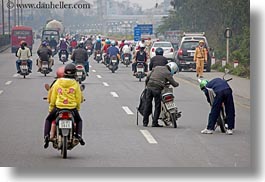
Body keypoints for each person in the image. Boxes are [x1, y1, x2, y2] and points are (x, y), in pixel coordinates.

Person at [44, 63, 85, 148]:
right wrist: (77, 108)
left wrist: (51, 108)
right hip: (72, 108)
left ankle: (46, 136)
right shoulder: (75, 84)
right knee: (79, 120)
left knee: (48, 119)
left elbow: (53, 97)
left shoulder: (58, 82)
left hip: (59, 107)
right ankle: (79, 136)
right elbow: (78, 98)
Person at [143, 62, 179, 127]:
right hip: (157, 89)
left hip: (149, 87)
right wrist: (177, 84)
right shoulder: (168, 73)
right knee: (157, 106)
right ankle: (154, 123)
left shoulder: (156, 68)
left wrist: (146, 86)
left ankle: (145, 122)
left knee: (147, 104)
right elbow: (174, 84)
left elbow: (148, 77)